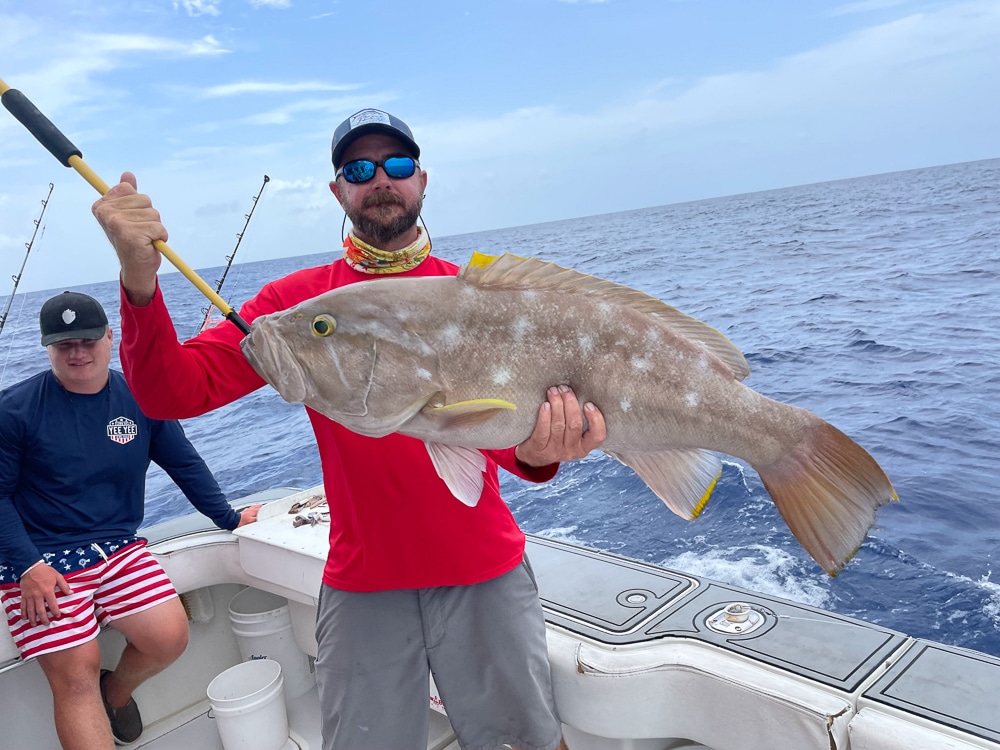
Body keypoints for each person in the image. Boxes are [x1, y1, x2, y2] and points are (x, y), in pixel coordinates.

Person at [92, 108, 607, 750]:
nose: (379, 180)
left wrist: (537, 450)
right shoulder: (300, 311)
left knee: (526, 741)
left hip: (482, 569)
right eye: (358, 169)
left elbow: (502, 442)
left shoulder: (476, 297)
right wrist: (140, 285)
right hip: (362, 579)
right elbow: (176, 390)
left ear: (421, 180)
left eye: (396, 165)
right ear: (338, 191)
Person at [0, 291, 261, 750]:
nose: (77, 352)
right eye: (64, 344)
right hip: (39, 559)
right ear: (47, 348)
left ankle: (115, 692)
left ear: (109, 337)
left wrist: (229, 517)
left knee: (169, 636)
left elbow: (185, 464)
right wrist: (26, 566)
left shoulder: (140, 397)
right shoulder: (14, 409)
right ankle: (92, 692)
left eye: (87, 339)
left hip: (116, 546)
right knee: (75, 674)